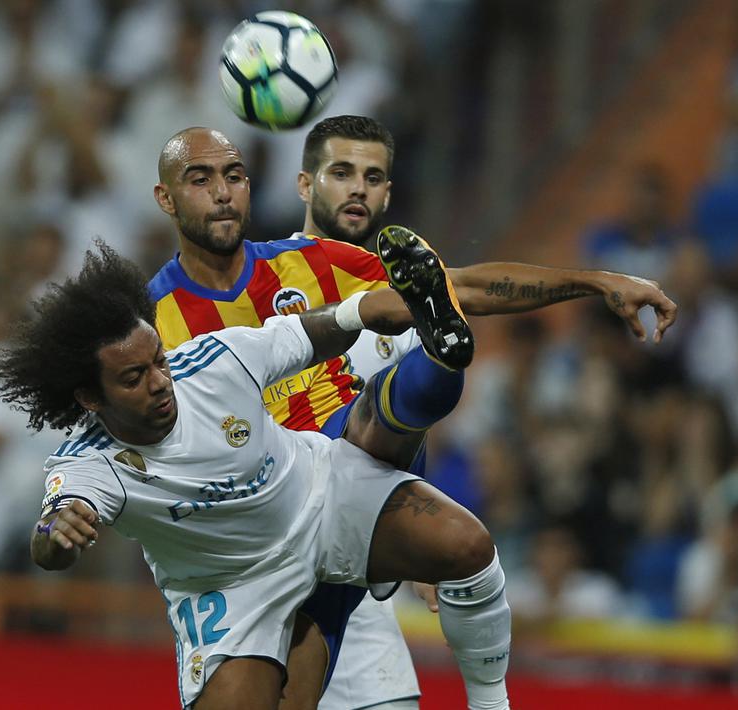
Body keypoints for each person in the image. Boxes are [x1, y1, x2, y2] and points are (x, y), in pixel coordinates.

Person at [148, 120, 678, 709]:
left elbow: (467, 288)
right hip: (252, 547)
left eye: (234, 176)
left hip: (344, 492)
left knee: (377, 423)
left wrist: (595, 281)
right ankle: (432, 368)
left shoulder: (317, 264)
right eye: (201, 180)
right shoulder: (149, 322)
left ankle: (438, 360)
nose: (223, 192)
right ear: (166, 198)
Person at [0, 241, 509, 710]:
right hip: (231, 589)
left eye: (157, 361)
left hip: (321, 499)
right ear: (90, 398)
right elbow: (53, 533)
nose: (159, 382)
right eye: (133, 378)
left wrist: (377, 306)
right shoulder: (90, 463)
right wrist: (57, 533)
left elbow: (317, 329)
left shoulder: (213, 362)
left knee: (467, 547)